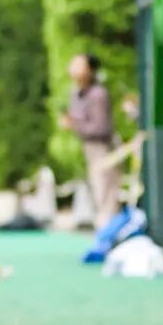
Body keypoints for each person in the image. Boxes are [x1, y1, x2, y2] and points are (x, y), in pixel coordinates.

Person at [61, 52, 120, 230]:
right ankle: (105, 232)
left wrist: (74, 124)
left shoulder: (98, 94)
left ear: (90, 70)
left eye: (79, 65)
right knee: (97, 192)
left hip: (103, 148)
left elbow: (102, 128)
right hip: (88, 147)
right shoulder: (75, 93)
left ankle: (110, 235)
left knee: (106, 194)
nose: (73, 68)